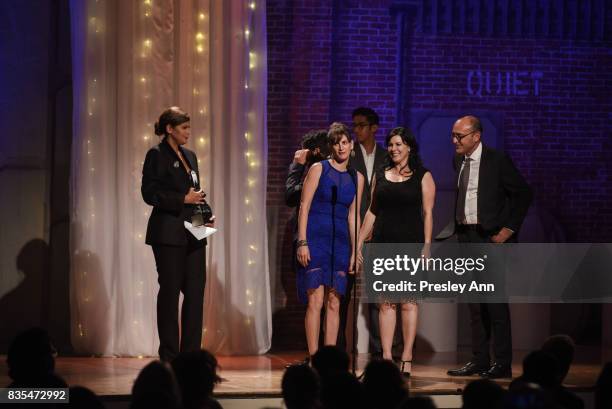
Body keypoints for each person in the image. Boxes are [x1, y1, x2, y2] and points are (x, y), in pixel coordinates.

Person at [446, 115, 532, 379]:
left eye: (459, 136)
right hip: (466, 238)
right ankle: (479, 360)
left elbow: (523, 193)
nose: (454, 141)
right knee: (474, 304)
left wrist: (508, 229)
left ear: (476, 136)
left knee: (495, 304)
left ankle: (502, 363)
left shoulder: (497, 160)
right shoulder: (458, 160)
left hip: (489, 240)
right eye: (453, 135)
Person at [357, 127, 436, 377]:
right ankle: (388, 357)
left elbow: (428, 213)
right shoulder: (380, 174)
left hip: (410, 246)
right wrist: (359, 241)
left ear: (409, 147)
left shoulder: (423, 176)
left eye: (399, 144)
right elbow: (372, 210)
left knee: (408, 304)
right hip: (382, 245)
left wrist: (426, 246)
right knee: (386, 304)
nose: (393, 149)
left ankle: (407, 357)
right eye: (390, 144)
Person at [141, 107, 215, 362]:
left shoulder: (191, 156)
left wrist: (205, 216)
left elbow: (195, 191)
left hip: (193, 228)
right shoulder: (156, 155)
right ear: (169, 129)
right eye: (184, 128)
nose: (188, 133)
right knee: (170, 292)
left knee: (196, 292)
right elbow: (149, 193)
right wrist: (182, 199)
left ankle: (191, 356)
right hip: (168, 231)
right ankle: (170, 357)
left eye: (189, 128)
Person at [296, 122, 364, 357]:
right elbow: (304, 206)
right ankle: (315, 357)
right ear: (331, 146)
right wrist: (302, 242)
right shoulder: (319, 168)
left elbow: (354, 216)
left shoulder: (358, 178)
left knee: (334, 302)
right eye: (336, 143)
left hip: (341, 241)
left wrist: (357, 251)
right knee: (315, 301)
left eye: (344, 142)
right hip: (316, 237)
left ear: (351, 145)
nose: (341, 147)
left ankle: (330, 359)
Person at [345, 107, 388, 355]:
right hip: (350, 228)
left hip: (378, 230)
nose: (357, 130)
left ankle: (379, 350)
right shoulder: (349, 155)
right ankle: (336, 349)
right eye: (355, 125)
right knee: (343, 291)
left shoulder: (386, 155)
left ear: (374, 128)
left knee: (376, 293)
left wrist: (373, 225)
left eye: (362, 125)